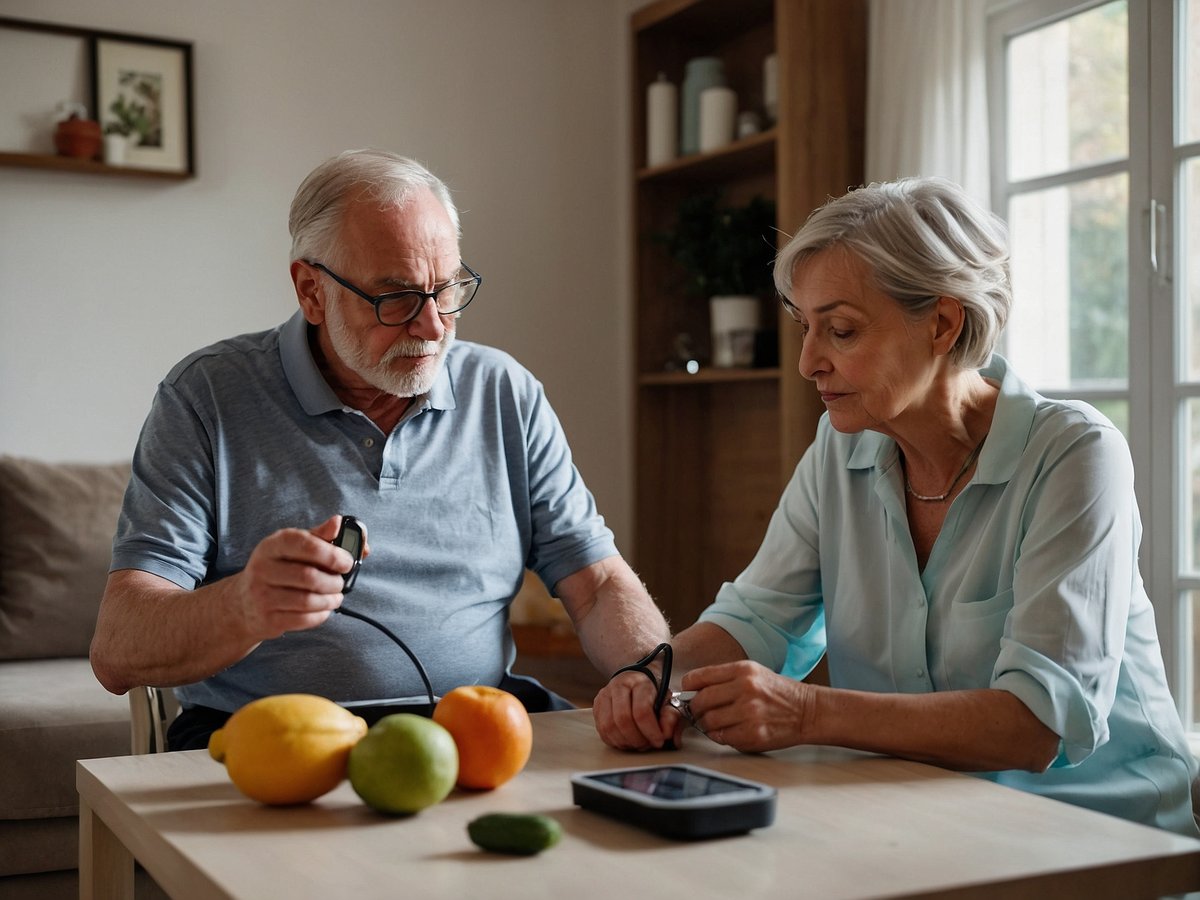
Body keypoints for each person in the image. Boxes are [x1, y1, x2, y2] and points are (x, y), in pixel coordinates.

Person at [593, 176, 1200, 836]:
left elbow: (1034, 725)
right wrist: (654, 676)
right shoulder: (840, 449)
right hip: (924, 819)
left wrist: (805, 713)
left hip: (1102, 838)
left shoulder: (1076, 455)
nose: (807, 363)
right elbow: (760, 618)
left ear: (942, 323)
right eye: (806, 327)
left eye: (842, 331)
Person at [91, 148, 670, 750]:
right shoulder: (207, 396)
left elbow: (598, 583)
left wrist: (648, 674)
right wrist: (245, 606)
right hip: (269, 736)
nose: (433, 326)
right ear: (311, 291)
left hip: (475, 725)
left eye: (446, 289)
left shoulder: (505, 392)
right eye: (395, 298)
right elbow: (117, 651)